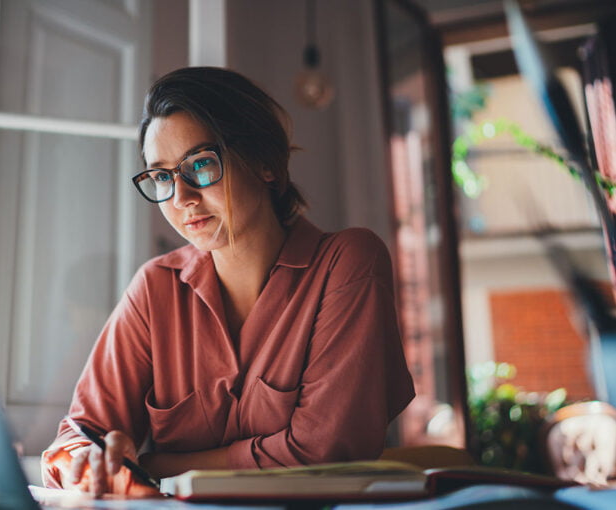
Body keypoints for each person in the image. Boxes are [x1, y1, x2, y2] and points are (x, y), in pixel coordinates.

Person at [41, 66, 414, 495]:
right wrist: (86, 461)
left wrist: (158, 465)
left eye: (200, 164)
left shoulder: (347, 264)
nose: (181, 198)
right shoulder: (155, 289)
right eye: (162, 176)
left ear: (265, 163)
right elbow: (80, 433)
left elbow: (324, 452)